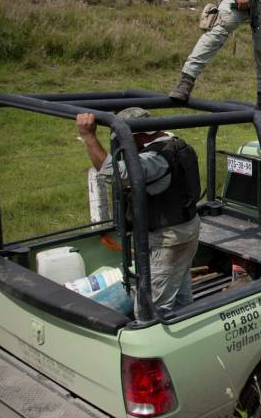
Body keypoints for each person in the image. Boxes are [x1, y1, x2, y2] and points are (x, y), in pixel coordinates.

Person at [76, 107, 201, 317]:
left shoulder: (156, 159)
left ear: (138, 135)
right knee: (180, 294)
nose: (124, 146)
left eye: (125, 140)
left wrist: (88, 136)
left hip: (168, 239)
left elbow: (112, 173)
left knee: (151, 307)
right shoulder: (175, 144)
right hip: (184, 230)